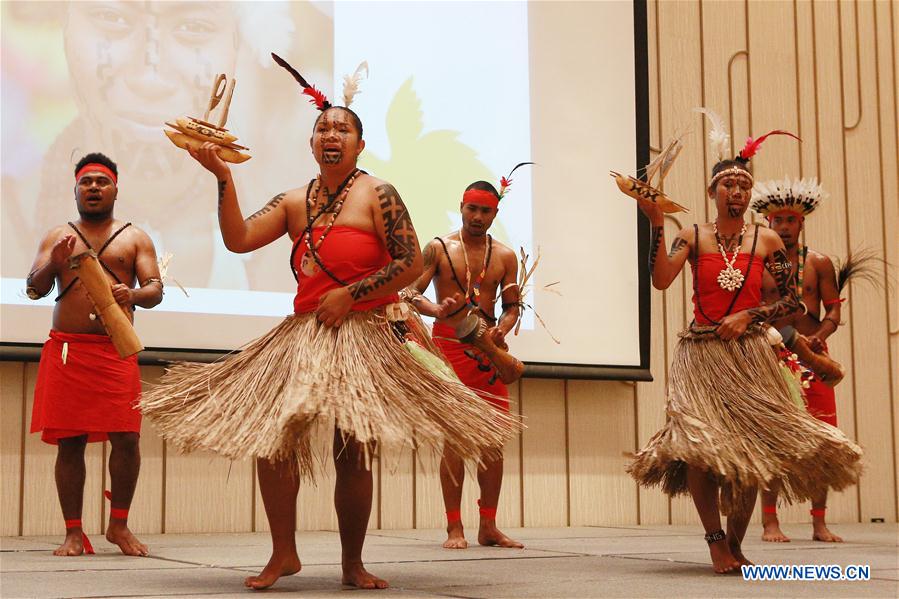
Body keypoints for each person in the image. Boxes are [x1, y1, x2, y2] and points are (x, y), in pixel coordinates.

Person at [140, 57, 516, 591]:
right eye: (322, 128)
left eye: (342, 128)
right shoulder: (296, 200)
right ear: (312, 144)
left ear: (360, 145)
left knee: (351, 446)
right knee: (273, 439)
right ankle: (284, 554)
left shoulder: (378, 193)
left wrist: (352, 294)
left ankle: (352, 562)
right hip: (305, 333)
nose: (330, 134)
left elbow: (409, 263)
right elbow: (238, 240)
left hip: (362, 333)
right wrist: (223, 177)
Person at [626, 118, 863, 574]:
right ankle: (716, 542)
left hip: (751, 354)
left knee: (756, 450)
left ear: (749, 194)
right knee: (699, 446)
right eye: (727, 184)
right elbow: (660, 280)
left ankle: (735, 541)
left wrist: (749, 315)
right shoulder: (692, 236)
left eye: (742, 185)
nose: (735, 191)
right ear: (713, 191)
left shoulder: (766, 239)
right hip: (702, 355)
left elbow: (792, 302)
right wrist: (657, 223)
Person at [27, 152, 163, 557]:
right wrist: (52, 265)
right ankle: (73, 532)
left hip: (115, 351)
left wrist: (132, 293)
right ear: (75, 189)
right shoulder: (57, 236)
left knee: (127, 439)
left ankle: (118, 525)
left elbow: (155, 291)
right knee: (70, 442)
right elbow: (34, 289)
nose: (94, 188)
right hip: (68, 351)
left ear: (115, 189)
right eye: (86, 182)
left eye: (102, 181)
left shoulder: (135, 237)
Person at [404, 177, 524, 550]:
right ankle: (454, 527)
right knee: (454, 441)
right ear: (461, 206)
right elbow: (409, 293)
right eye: (471, 208)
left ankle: (488, 525)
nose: (477, 216)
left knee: (493, 443)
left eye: (485, 210)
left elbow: (512, 307)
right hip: (448, 349)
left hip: (486, 351)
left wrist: (501, 331)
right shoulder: (438, 248)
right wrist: (435, 308)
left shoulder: (504, 256)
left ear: (495, 213)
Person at [751, 177, 848, 543]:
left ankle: (819, 522)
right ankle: (770, 522)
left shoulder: (819, 262)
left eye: (790, 221)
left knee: (823, 439)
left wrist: (818, 339)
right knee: (773, 438)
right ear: (768, 224)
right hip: (775, 356)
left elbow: (834, 311)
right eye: (778, 221)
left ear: (801, 222)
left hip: (814, 361)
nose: (784, 228)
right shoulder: (758, 264)